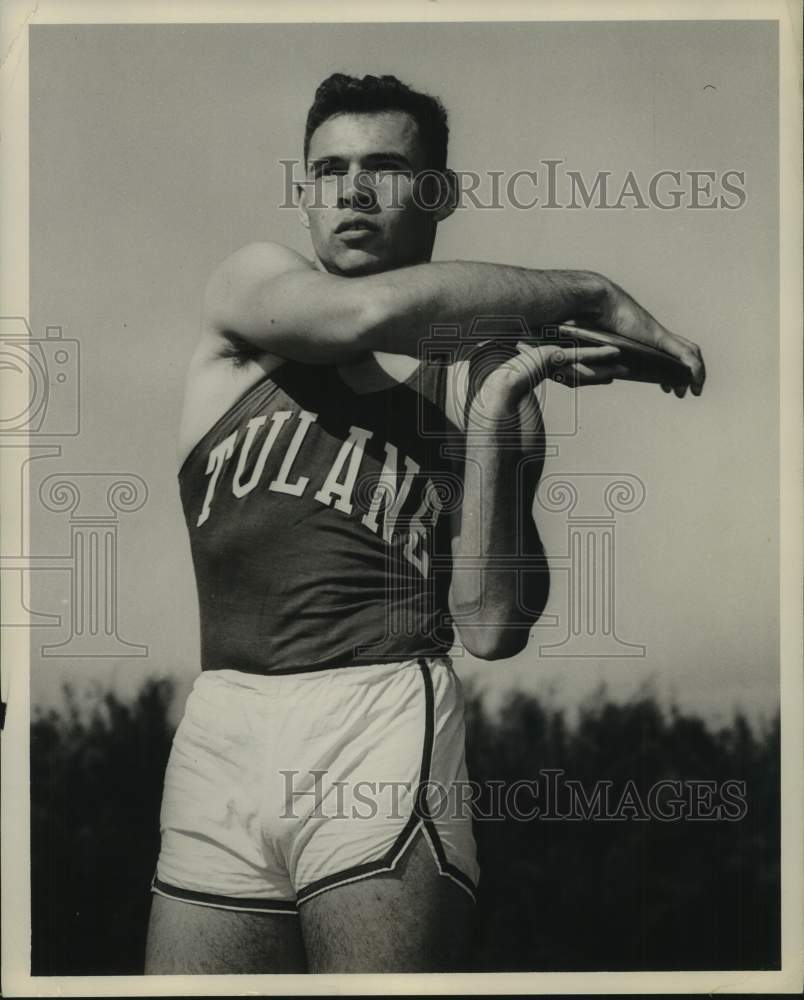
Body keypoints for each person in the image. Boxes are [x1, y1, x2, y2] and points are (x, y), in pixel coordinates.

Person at [144, 73, 705, 975]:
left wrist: (495, 426)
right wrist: (588, 293)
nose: (352, 192)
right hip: (221, 726)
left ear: (436, 194)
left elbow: (489, 625)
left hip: (379, 716)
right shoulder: (252, 292)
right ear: (303, 193)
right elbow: (362, 314)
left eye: (385, 168)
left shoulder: (481, 385)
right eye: (328, 170)